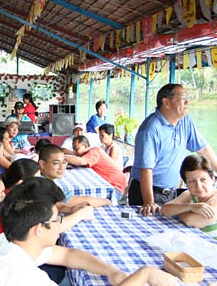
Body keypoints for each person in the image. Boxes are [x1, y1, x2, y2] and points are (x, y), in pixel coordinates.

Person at [0, 177, 176, 286]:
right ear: (38, 229)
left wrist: (112, 272)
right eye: (56, 219)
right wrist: (144, 274)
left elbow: (67, 254)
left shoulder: (8, 243)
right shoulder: (23, 276)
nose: (60, 224)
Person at [129, 83, 217, 216]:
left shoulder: (185, 121)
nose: (187, 101)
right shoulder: (151, 129)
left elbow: (203, 149)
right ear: (166, 102)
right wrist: (149, 202)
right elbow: (146, 169)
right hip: (148, 191)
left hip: (171, 192)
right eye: (182, 98)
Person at [39, 144, 112, 210]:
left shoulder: (43, 179)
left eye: (64, 162)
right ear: (42, 164)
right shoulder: (42, 185)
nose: (62, 167)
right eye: (56, 163)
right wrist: (106, 201)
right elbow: (74, 201)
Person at [161, 155, 217, 239]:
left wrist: (179, 210)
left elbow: (190, 220)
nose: (198, 186)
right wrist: (190, 206)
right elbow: (165, 210)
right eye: (192, 181)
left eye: (203, 180)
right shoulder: (190, 194)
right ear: (186, 183)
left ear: (213, 179)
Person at [65, 135, 127, 201]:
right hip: (105, 184)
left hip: (115, 187)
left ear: (85, 146)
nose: (74, 152)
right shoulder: (86, 155)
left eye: (76, 149)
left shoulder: (94, 151)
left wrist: (61, 156)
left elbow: (81, 161)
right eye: (73, 149)